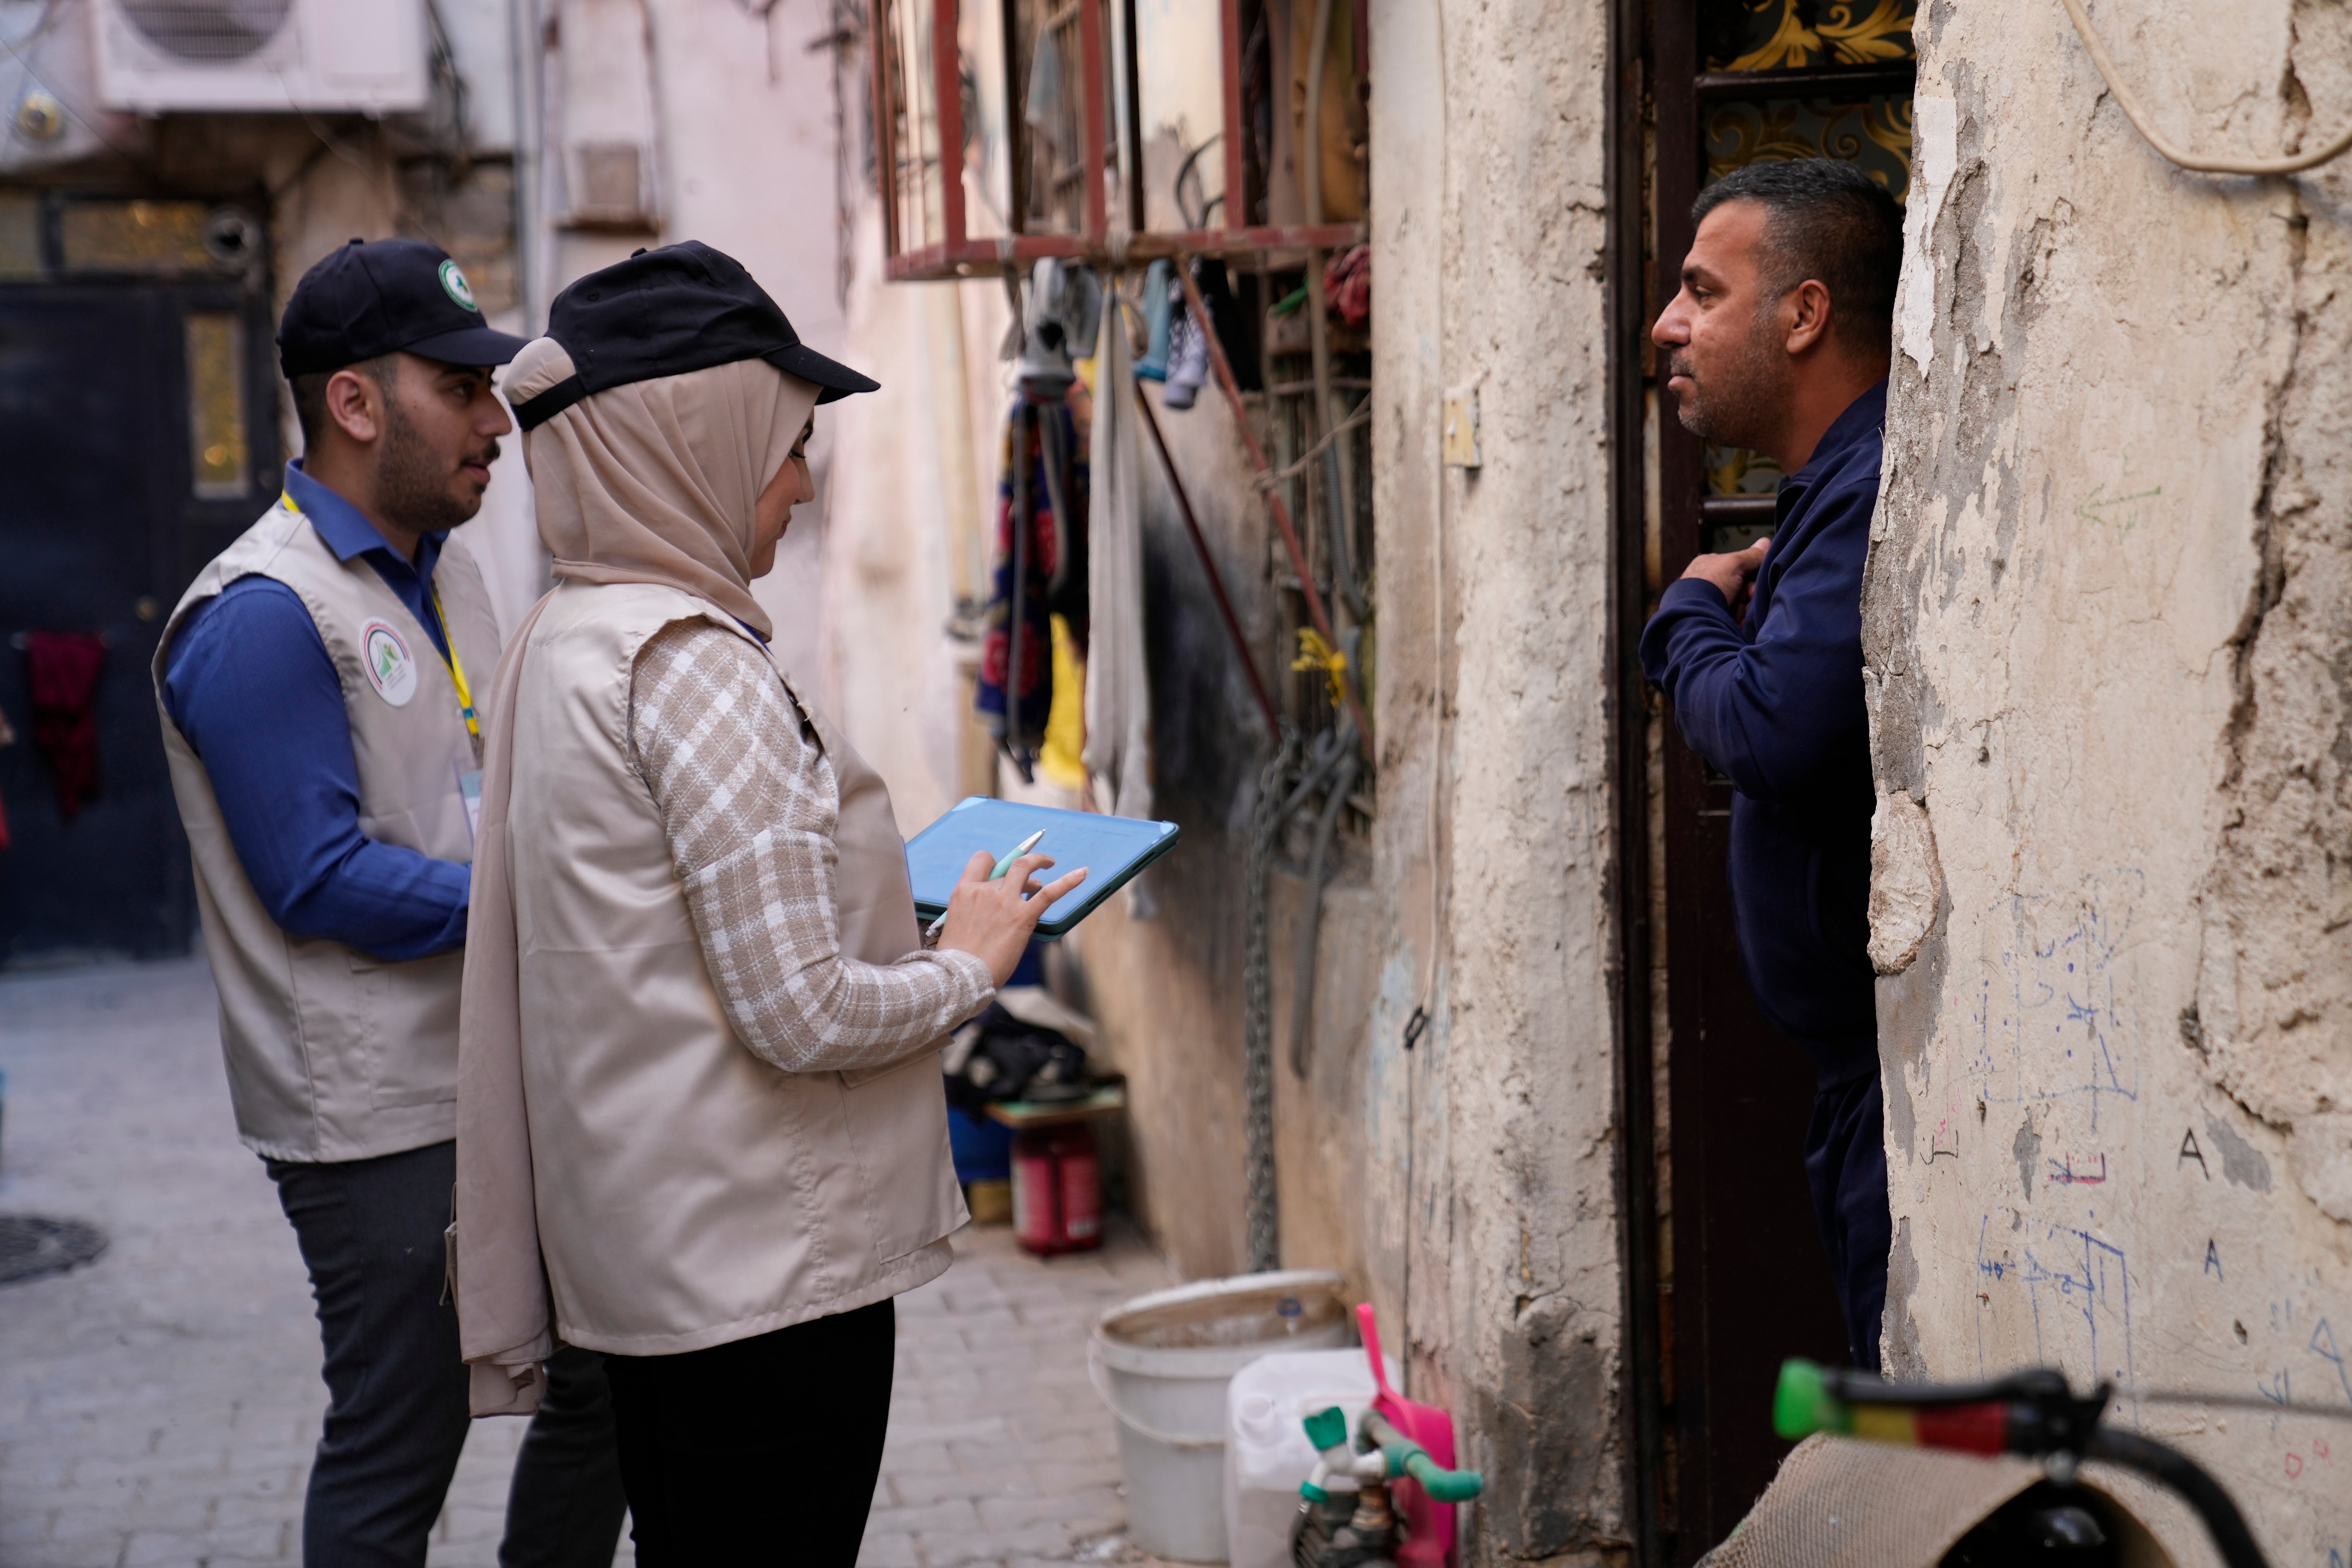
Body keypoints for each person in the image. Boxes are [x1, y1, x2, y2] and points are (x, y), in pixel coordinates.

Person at [452, 241, 1086, 1565]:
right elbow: (800, 1016)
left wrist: (905, 927)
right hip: (764, 1285)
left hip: (659, 1267)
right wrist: (972, 967)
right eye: (789, 445)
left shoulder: (566, 637)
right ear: (694, 442)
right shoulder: (691, 666)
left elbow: (662, 949)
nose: (802, 484)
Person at [152, 238, 627, 1567]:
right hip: (380, 1120)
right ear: (356, 404)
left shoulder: (444, 566)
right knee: (399, 1447)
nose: (496, 425)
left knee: (606, 1380)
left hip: (491, 1067)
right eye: (461, 391)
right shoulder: (261, 615)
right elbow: (318, 880)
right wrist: (545, 898)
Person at [1639, 159, 1902, 1371]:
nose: (1669, 325)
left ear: (1804, 314)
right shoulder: (1830, 487)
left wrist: (1687, 612)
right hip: (1861, 1081)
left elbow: (1768, 731)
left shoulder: (1866, 486)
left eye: (1703, 291)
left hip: (1895, 1088)